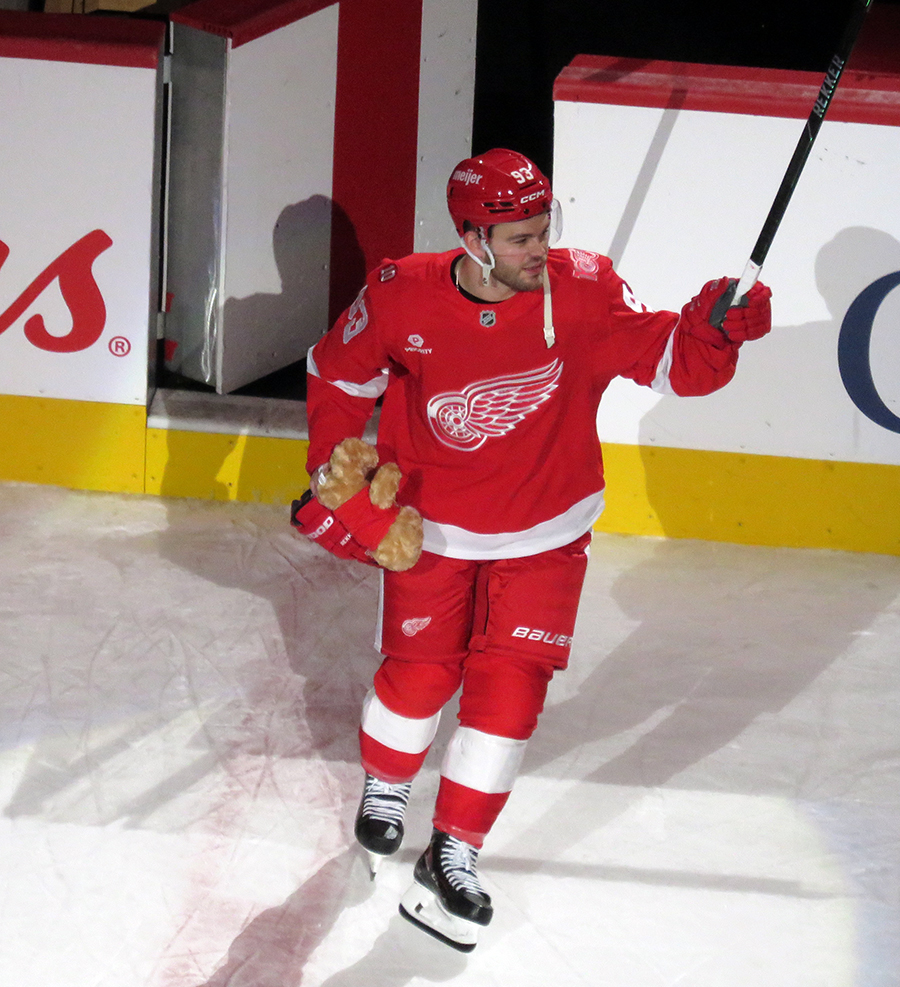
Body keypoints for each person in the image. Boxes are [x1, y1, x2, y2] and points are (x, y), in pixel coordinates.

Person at [295, 148, 772, 950]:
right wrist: (337, 482)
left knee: (510, 690)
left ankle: (455, 849)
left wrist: (714, 330)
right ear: (472, 238)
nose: (536, 250)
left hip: (547, 534)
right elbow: (336, 378)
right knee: (418, 675)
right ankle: (387, 784)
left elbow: (673, 362)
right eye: (518, 237)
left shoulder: (583, 288)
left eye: (542, 231)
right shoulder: (400, 292)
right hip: (431, 530)